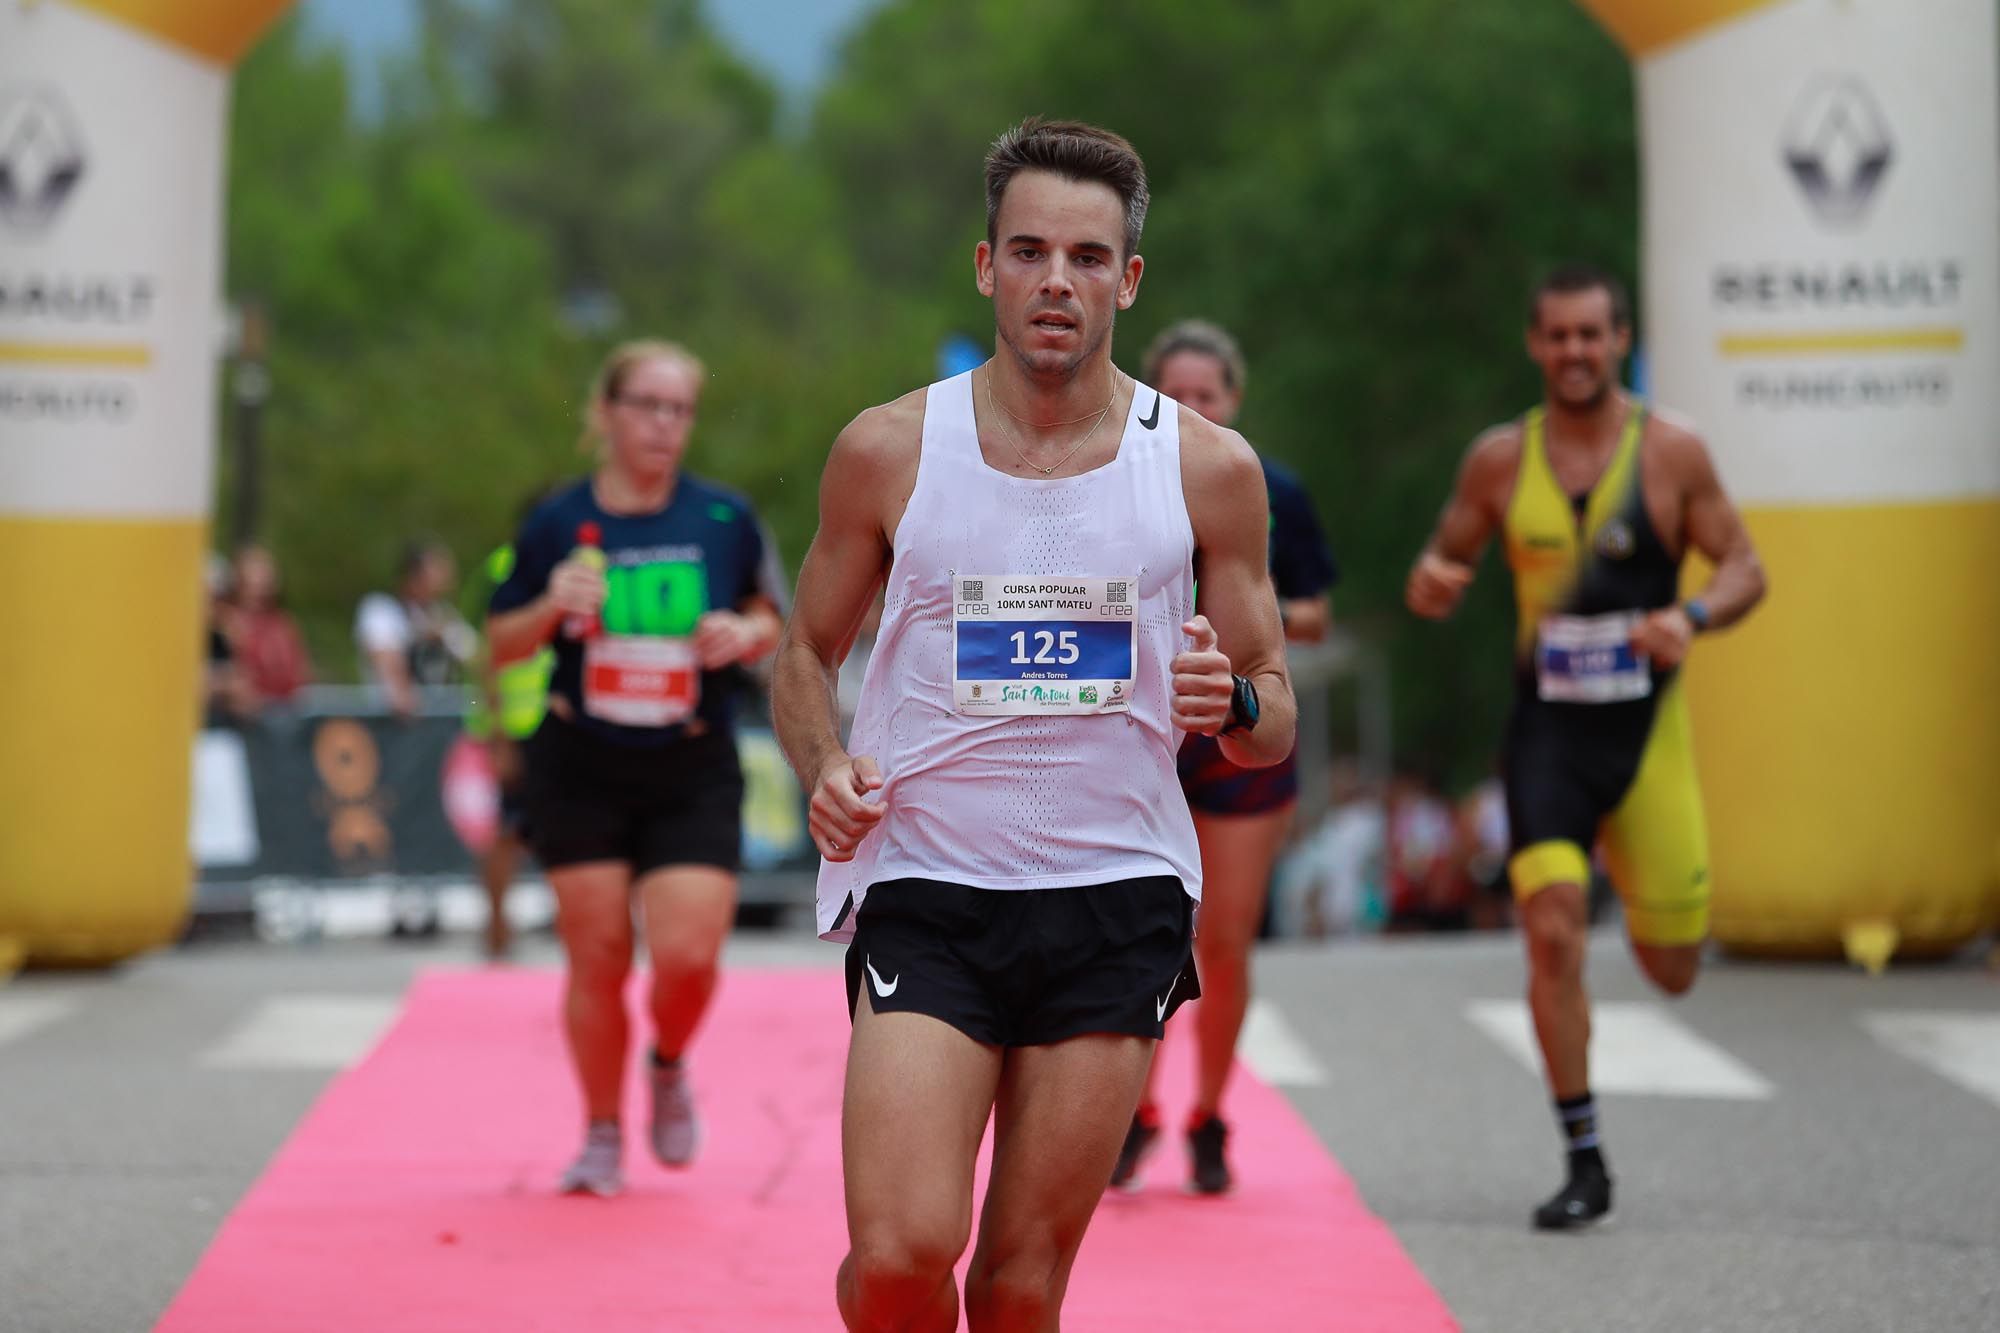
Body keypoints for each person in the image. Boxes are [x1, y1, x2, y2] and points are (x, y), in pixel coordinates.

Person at [772, 118, 1295, 1332]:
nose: (1055, 280)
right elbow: (803, 652)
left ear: (1128, 278)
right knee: (902, 1256)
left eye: (1085, 256)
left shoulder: (1208, 468)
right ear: (984, 266)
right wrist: (823, 760)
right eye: (1027, 252)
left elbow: (1269, 710)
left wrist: (1238, 704)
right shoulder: (888, 449)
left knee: (1017, 1289)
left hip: (1115, 894)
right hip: (931, 885)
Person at [1405, 262, 1767, 1230]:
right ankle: (1583, 1156)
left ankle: (1640, 891)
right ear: (1533, 345)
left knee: (1671, 966)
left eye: (1589, 334)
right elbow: (1448, 550)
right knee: (1553, 927)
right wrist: (1435, 579)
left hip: (1647, 743)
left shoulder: (1670, 454)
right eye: (1555, 335)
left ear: (1618, 340)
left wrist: (1688, 613)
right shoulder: (1495, 461)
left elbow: (1743, 565)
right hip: (1546, 742)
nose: (1572, 352)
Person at [486, 340, 782, 1197]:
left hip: (689, 762)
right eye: (646, 405)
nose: (663, 424)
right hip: (579, 760)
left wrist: (746, 634)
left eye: (679, 409)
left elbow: (775, 614)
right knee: (601, 955)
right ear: (607, 413)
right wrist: (551, 607)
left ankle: (668, 1059)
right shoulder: (556, 523)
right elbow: (500, 642)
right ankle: (602, 1130)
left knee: (688, 956)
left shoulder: (722, 519)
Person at [1108, 319, 1338, 1196]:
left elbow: (1316, 613)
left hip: (1239, 720)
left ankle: (1208, 1114)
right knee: (1144, 931)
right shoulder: (1113, 478)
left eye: (1209, 395)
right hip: (1146, 725)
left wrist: (1252, 609)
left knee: (1227, 938)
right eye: (1177, 394)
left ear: (1233, 400)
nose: (1193, 409)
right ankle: (1137, 1111)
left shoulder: (1265, 486)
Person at [355, 540, 478, 719]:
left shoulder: (444, 616)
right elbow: (386, 661)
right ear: (413, 575)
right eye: (437, 570)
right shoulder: (382, 611)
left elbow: (478, 660)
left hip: (437, 725)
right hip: (387, 725)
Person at [223, 543, 314, 710]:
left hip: (286, 708)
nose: (261, 580)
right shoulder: (228, 620)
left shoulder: (282, 623)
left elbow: (300, 668)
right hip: (246, 714)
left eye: (264, 572)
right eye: (255, 572)